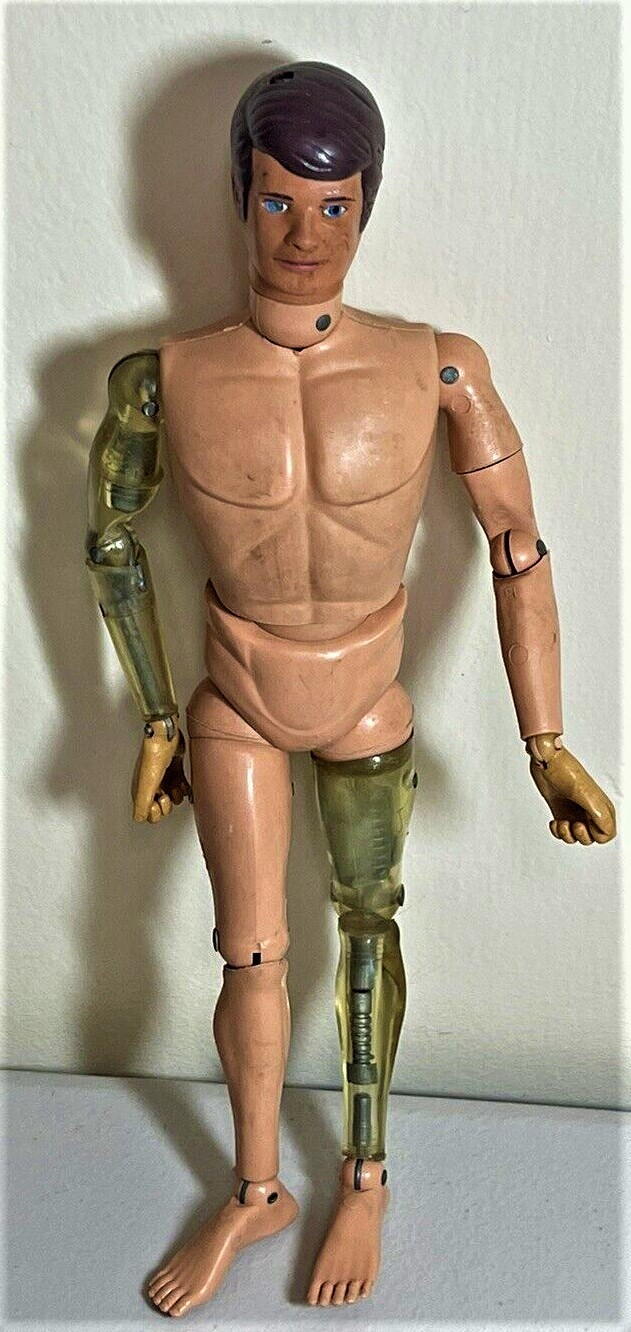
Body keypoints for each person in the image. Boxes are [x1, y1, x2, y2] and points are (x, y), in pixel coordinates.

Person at [86, 62, 616, 1318]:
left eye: (333, 207)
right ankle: (256, 1187)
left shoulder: (437, 368)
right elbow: (108, 544)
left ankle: (365, 1176)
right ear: (239, 195)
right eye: (278, 201)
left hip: (368, 692)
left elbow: (518, 546)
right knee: (248, 952)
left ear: (368, 206)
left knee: (370, 925)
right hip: (235, 695)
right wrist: (155, 716)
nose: (305, 235)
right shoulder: (165, 376)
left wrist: (545, 740)